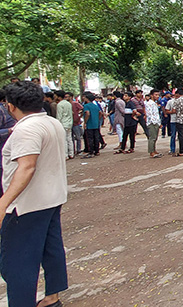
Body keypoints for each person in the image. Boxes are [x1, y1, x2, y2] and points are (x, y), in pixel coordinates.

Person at [0, 81, 69, 307]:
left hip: (27, 205)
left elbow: (27, 167)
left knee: (17, 261)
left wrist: (4, 202)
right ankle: (52, 297)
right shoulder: (51, 122)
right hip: (52, 197)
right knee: (52, 249)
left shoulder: (26, 129)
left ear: (10, 106)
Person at [82, 93, 103, 159]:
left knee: (90, 138)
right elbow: (100, 113)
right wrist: (97, 119)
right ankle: (97, 151)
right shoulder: (95, 105)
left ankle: (91, 151)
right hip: (96, 123)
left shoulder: (86, 106)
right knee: (96, 137)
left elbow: (87, 113)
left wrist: (85, 122)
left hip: (90, 124)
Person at [55, 91, 74, 161]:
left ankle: (65, 155)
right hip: (69, 123)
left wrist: (57, 124)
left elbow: (59, 116)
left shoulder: (60, 105)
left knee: (64, 140)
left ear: (58, 96)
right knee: (69, 139)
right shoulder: (68, 103)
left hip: (63, 123)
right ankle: (71, 153)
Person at [146, 90, 162, 158]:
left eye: (158, 95)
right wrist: (154, 122)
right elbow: (149, 114)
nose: (157, 96)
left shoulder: (154, 103)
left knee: (155, 137)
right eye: (156, 95)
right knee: (152, 138)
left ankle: (154, 150)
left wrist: (159, 122)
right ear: (151, 95)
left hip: (156, 122)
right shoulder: (149, 103)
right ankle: (151, 151)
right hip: (152, 122)